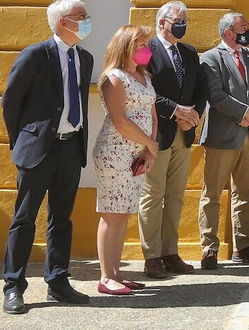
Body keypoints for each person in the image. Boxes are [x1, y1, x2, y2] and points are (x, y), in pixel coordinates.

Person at [0, 0, 94, 314]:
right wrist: (22, 141)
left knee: (62, 219)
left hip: (71, 147)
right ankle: (13, 287)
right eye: (82, 16)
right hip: (38, 149)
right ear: (64, 21)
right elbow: (11, 101)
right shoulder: (35, 54)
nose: (87, 20)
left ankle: (58, 282)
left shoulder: (85, 58)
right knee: (24, 219)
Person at [198, 12, 249, 269]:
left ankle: (243, 245)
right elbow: (215, 95)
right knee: (212, 193)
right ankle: (209, 248)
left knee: (245, 193)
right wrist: (243, 113)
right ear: (229, 32)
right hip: (222, 135)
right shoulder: (210, 58)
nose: (248, 29)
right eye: (243, 26)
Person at [139, 1, 205, 278]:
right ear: (162, 22)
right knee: (152, 195)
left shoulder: (188, 52)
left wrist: (193, 115)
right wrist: (176, 110)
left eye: (185, 20)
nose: (183, 25)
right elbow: (142, 88)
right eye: (178, 21)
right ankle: (152, 256)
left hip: (183, 134)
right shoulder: (146, 50)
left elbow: (201, 87)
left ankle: (170, 252)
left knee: (176, 196)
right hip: (157, 133)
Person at [93, 25, 159, 295]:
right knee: (111, 214)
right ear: (126, 47)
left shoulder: (144, 76)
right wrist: (151, 144)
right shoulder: (114, 78)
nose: (147, 49)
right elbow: (120, 120)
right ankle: (106, 276)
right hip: (115, 152)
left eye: (147, 45)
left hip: (137, 154)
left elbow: (152, 115)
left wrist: (149, 150)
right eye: (141, 44)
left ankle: (117, 272)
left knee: (123, 214)